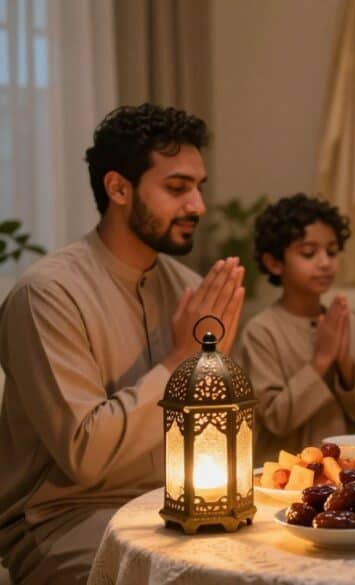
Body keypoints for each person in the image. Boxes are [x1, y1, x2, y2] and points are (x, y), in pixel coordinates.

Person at [0, 103, 245, 584]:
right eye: (177, 188)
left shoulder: (188, 287)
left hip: (172, 507)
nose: (197, 205)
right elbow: (85, 456)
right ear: (118, 188)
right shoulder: (48, 294)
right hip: (62, 521)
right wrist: (183, 361)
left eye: (199, 188)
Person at [239, 193, 355, 462]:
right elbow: (276, 418)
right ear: (274, 263)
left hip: (347, 475)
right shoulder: (261, 332)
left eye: (331, 251)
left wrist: (345, 364)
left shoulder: (352, 326)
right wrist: (321, 361)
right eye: (309, 253)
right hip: (286, 481)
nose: (325, 262)